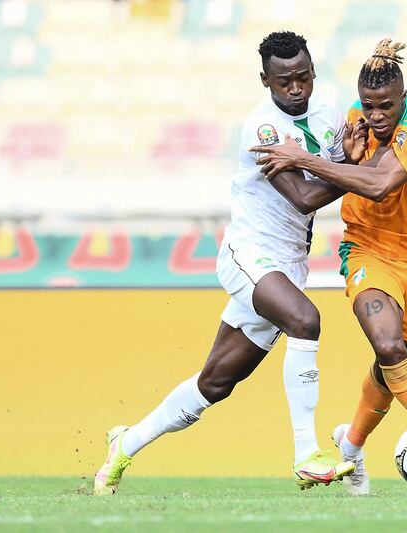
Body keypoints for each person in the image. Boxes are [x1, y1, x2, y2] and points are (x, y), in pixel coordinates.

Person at [94, 31, 359, 495]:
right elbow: (302, 197)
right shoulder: (263, 130)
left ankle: (126, 444)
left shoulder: (329, 112)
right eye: (283, 81)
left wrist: (348, 163)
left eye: (302, 78)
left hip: (289, 264)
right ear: (265, 80)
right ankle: (306, 454)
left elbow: (337, 164)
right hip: (249, 252)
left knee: (215, 383)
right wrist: (352, 175)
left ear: (313, 72)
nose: (294, 89)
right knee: (305, 319)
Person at [251, 38, 407, 496]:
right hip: (366, 251)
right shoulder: (354, 122)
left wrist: (306, 159)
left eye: (385, 106)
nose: (376, 115)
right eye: (368, 106)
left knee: (393, 366)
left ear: (404, 98)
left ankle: (352, 445)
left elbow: (380, 183)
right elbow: (344, 179)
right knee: (389, 346)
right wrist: (338, 155)